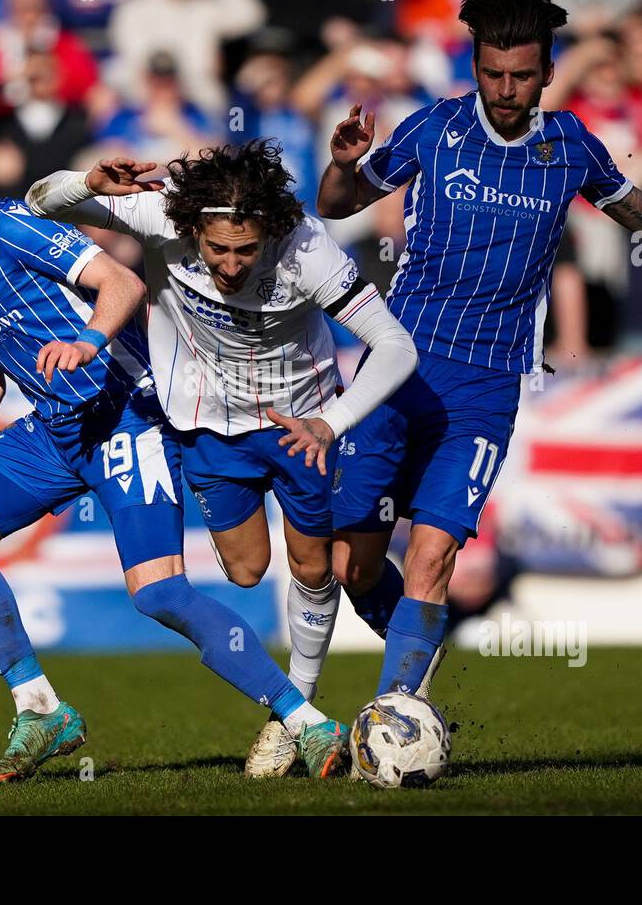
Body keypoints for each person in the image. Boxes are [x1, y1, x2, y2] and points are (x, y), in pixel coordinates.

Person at [316, 0, 642, 699]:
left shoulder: (570, 144)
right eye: (491, 73)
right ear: (474, 66)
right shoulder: (433, 129)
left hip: (485, 388)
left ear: (546, 72)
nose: (505, 90)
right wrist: (344, 166)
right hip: (396, 367)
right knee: (349, 565)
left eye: (520, 75)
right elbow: (335, 206)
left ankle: (397, 710)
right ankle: (415, 653)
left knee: (433, 555)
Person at [0, 111, 352, 783]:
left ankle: (307, 723)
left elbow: (121, 283)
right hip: (55, 429)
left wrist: (89, 343)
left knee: (157, 594)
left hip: (125, 414)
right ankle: (39, 706)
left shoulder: (8, 226)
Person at [25, 138, 417, 776]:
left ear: (271, 232)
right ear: (192, 231)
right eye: (217, 250)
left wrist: (331, 421)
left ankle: (300, 717)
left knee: (315, 566)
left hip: (301, 423)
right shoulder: (161, 213)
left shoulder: (308, 247)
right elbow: (40, 203)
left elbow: (394, 345)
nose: (231, 265)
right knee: (243, 571)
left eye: (245, 249)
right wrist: (86, 180)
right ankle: (370, 629)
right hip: (207, 425)